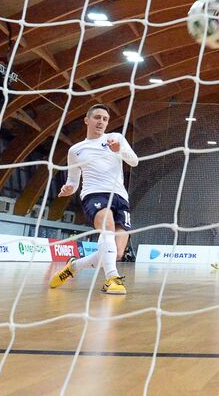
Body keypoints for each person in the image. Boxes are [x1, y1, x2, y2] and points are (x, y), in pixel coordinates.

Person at [48, 104, 137, 295]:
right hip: (93, 193)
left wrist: (119, 150)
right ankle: (111, 278)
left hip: (120, 196)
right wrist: (68, 188)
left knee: (117, 252)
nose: (101, 122)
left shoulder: (115, 138)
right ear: (87, 120)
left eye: (105, 119)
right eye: (97, 117)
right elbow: (73, 180)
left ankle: (74, 266)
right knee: (107, 226)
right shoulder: (76, 150)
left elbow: (134, 161)